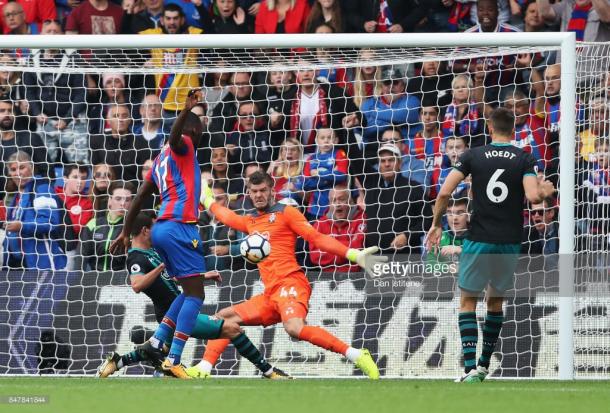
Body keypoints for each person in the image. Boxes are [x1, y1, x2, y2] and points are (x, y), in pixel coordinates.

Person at [191, 170, 385, 379]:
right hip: (270, 294)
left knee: (294, 328)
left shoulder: (287, 213)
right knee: (222, 319)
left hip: (291, 283)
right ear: (248, 193)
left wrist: (353, 254)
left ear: (272, 190)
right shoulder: (250, 221)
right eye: (254, 191)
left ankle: (356, 354)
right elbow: (226, 215)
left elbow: (316, 237)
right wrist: (206, 198)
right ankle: (204, 367)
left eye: (263, 190)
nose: (258, 195)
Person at [426, 107, 556, 382]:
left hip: (479, 239)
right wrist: (549, 189)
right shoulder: (524, 157)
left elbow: (445, 192)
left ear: (489, 126)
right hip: (509, 241)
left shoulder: (473, 155)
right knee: (495, 302)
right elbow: (534, 197)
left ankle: (471, 367)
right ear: (513, 129)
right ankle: (484, 366)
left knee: (468, 301)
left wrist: (437, 224)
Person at [97, 212, 290, 379]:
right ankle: (268, 371)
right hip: (172, 311)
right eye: (154, 228)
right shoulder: (136, 257)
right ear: (145, 231)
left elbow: (176, 278)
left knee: (157, 347)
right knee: (233, 329)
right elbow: (137, 285)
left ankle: (117, 362)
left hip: (177, 308)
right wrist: (162, 266)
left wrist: (204, 275)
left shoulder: (154, 252)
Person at [109, 91, 209, 379]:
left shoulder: (159, 161)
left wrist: (125, 231)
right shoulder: (183, 144)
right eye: (200, 126)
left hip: (161, 228)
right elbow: (176, 136)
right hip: (179, 225)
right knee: (196, 295)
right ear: (191, 129)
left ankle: (157, 342)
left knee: (187, 292)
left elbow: (139, 198)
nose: (202, 132)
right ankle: (174, 359)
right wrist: (185, 111)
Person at [24, 21, 88, 165]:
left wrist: (67, 118)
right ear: (41, 35)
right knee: (43, 165)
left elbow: (81, 93)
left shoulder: (73, 59)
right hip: (44, 121)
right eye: (49, 31)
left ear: (63, 36)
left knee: (80, 165)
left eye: (56, 32)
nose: (52, 35)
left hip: (72, 123)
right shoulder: (32, 59)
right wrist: (36, 112)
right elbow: (29, 90)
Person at [359, 143, 431, 254]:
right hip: (374, 258)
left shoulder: (414, 187)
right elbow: (354, 157)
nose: (387, 164)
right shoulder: (371, 184)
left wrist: (407, 235)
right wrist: (348, 130)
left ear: (400, 163)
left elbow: (428, 219)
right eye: (383, 161)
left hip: (405, 257)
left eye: (391, 160)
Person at [2, 151, 67, 270]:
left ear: (31, 167)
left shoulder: (41, 187)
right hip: (15, 264)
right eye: (13, 169)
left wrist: (22, 226)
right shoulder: (15, 196)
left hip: (41, 264)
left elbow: (49, 222)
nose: (18, 173)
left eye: (22, 167)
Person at [79, 180, 135, 272]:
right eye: (118, 199)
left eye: (127, 200)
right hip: (94, 279)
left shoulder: (133, 228)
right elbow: (80, 258)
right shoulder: (93, 224)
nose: (123, 203)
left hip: (122, 280)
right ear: (110, 200)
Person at [309, 184, 366, 272]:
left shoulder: (361, 218)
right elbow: (315, 256)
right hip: (325, 278)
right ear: (329, 204)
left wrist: (329, 247)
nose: (337, 204)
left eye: (341, 199)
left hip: (354, 275)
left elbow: (358, 247)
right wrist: (346, 251)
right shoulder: (320, 224)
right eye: (333, 200)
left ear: (350, 201)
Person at [89, 103, 151, 183]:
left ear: (129, 120)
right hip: (105, 191)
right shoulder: (97, 141)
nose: (120, 119)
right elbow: (95, 171)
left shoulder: (141, 144)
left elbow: (143, 175)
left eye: (124, 116)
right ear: (108, 120)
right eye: (116, 116)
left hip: (132, 190)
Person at [302, 128, 348, 220]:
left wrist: (319, 174)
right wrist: (330, 175)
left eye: (329, 137)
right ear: (317, 140)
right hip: (315, 208)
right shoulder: (311, 159)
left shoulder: (340, 154)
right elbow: (306, 184)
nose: (326, 140)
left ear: (336, 140)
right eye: (322, 138)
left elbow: (341, 176)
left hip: (335, 207)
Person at [537, 0, 610, 42]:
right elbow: (545, 12)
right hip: (563, 65)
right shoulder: (567, 4)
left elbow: (607, 17)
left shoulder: (605, 4)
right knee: (553, 69)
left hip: (592, 66)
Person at [426, 196, 469, 264]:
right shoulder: (438, 237)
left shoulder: (477, 237)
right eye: (450, 213)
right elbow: (430, 265)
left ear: (468, 216)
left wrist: (461, 251)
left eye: (460, 213)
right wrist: (447, 268)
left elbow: (485, 263)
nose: (454, 218)